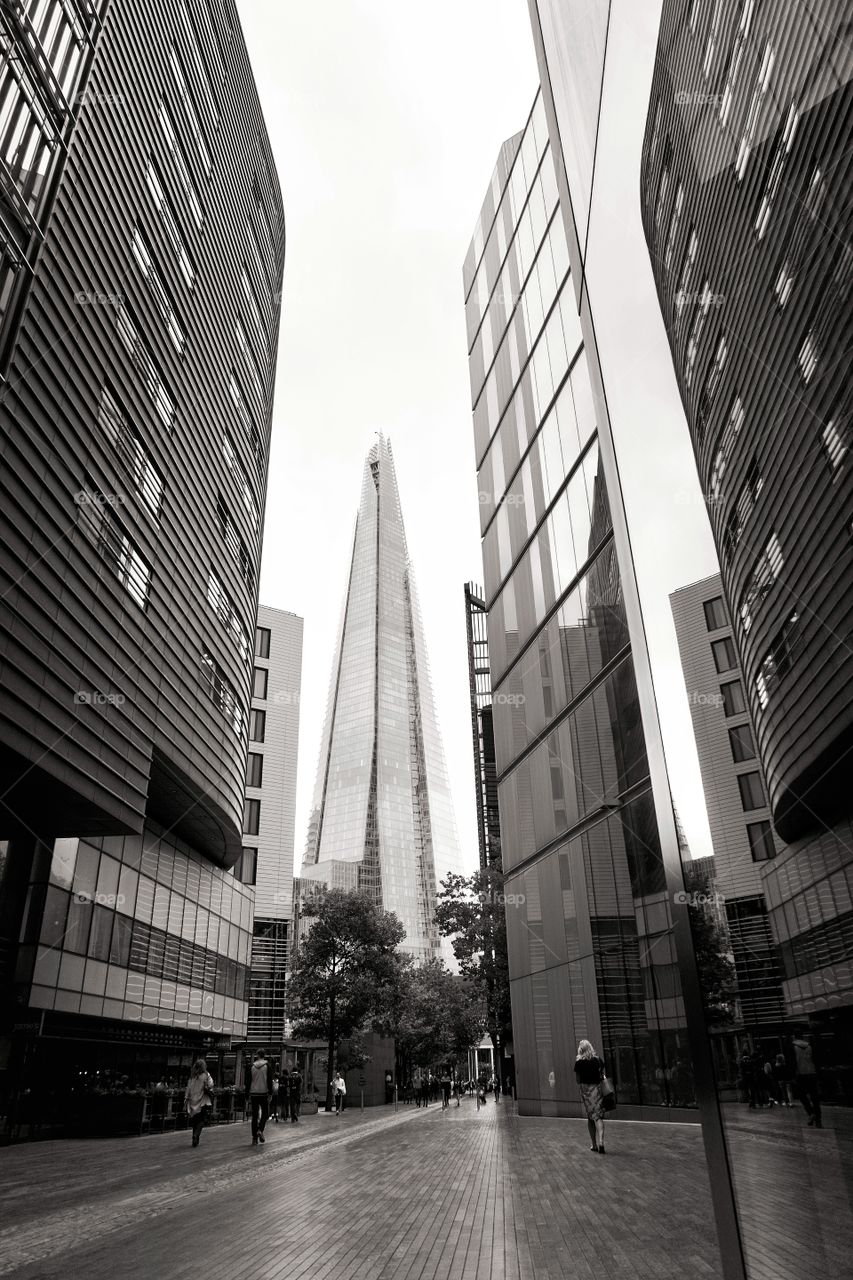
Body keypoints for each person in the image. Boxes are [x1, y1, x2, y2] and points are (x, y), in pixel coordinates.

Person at [574, 1039, 608, 1155]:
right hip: (597, 1090)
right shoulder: (598, 1060)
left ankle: (593, 1144)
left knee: (590, 1118)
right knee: (598, 1116)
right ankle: (601, 1142)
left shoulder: (578, 1063)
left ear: (580, 1050)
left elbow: (578, 1080)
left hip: (586, 1092)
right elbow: (602, 1073)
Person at [792, 1033, 823, 1128]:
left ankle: (810, 1113)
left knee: (802, 1096)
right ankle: (818, 1120)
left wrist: (793, 1075)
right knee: (815, 1097)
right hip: (812, 1073)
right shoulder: (809, 1046)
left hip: (801, 1075)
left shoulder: (793, 1047)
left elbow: (792, 1063)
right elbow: (816, 1059)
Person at [184, 1058, 214, 1147]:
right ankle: (196, 1135)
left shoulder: (192, 1076)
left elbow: (188, 1088)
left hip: (193, 1100)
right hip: (202, 1100)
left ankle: (195, 1138)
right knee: (201, 1119)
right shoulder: (206, 1075)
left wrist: (186, 1098)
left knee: (195, 1120)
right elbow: (211, 1084)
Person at [249, 1049, 273, 1145]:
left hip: (253, 1093)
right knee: (265, 1113)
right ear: (264, 1055)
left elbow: (248, 1080)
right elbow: (269, 1080)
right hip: (264, 1093)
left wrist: (247, 1094)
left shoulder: (252, 1066)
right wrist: (270, 1093)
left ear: (257, 1055)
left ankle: (254, 1138)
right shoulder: (267, 1066)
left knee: (254, 1115)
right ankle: (260, 1129)